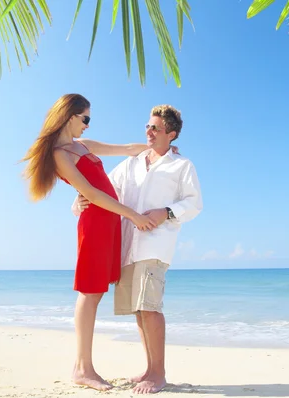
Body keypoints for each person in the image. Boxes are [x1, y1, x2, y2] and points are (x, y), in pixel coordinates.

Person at [22, 94, 157, 391]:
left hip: (108, 222)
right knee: (90, 292)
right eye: (86, 119)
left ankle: (82, 368)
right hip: (96, 223)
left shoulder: (82, 146)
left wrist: (157, 148)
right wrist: (133, 215)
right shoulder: (60, 154)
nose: (87, 125)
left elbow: (126, 149)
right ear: (70, 116)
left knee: (96, 292)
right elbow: (92, 194)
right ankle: (82, 368)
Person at [72, 105, 203, 394]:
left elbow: (194, 204)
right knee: (139, 311)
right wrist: (78, 200)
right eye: (147, 126)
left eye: (155, 128)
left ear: (171, 133)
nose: (148, 131)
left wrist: (166, 212)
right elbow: (105, 188)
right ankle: (148, 368)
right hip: (127, 244)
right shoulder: (132, 162)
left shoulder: (181, 166)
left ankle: (159, 373)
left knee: (150, 308)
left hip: (156, 245)